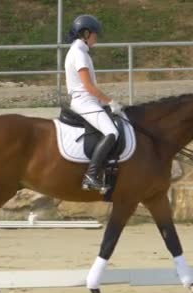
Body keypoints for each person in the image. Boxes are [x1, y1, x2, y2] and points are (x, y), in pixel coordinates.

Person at [64, 14, 123, 192]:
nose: (97, 38)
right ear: (86, 33)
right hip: (84, 102)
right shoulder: (79, 53)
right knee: (112, 132)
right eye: (95, 34)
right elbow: (88, 86)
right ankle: (91, 175)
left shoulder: (79, 51)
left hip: (88, 101)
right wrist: (111, 101)